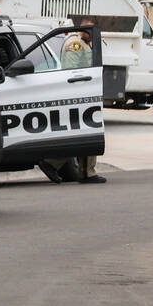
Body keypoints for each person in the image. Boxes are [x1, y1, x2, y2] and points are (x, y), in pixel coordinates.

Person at [49, 21, 106, 184]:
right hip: (80, 94)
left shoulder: (82, 43)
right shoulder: (76, 44)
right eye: (91, 33)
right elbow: (72, 70)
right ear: (85, 31)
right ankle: (55, 163)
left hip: (85, 93)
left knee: (84, 131)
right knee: (86, 131)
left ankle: (85, 172)